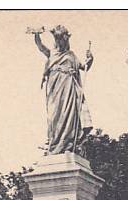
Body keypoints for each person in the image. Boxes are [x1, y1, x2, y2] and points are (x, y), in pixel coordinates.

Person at [32, 25, 93, 155]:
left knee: (69, 114)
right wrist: (37, 34)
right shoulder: (52, 53)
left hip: (69, 87)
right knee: (55, 115)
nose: (61, 42)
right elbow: (40, 46)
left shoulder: (71, 55)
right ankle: (56, 143)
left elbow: (84, 66)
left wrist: (90, 59)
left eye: (63, 39)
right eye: (58, 39)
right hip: (55, 87)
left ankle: (68, 144)